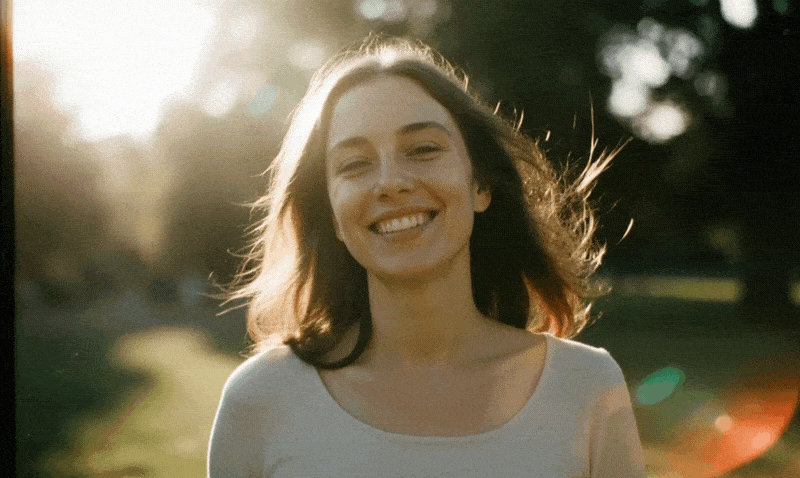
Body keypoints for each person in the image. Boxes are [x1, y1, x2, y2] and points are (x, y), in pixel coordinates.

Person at [208, 35, 645, 477]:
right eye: (355, 164)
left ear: (480, 186)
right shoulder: (260, 400)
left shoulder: (588, 386)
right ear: (333, 217)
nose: (390, 182)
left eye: (423, 149)